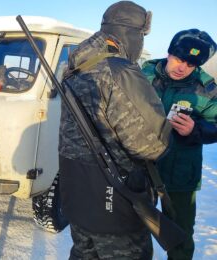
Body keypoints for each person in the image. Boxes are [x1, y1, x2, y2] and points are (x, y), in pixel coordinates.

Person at [58, 1, 171, 259]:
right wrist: (168, 128)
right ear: (131, 34)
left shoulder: (75, 67)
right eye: (141, 36)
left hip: (78, 197)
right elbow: (153, 146)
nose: (141, 43)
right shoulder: (120, 71)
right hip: (116, 205)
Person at [142, 29, 217, 260]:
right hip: (139, 167)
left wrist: (195, 130)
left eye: (191, 64)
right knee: (133, 228)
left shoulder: (206, 88)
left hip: (180, 173)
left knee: (180, 234)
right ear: (169, 52)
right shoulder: (141, 75)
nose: (182, 67)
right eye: (178, 58)